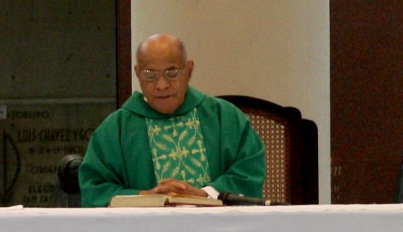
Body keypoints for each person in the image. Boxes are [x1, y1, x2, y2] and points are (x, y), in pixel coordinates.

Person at [79, 34, 266, 207]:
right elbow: (95, 187)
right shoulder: (116, 129)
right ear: (137, 73)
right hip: (143, 230)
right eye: (150, 74)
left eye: (172, 73)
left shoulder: (224, 118)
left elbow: (249, 170)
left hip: (217, 229)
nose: (162, 85)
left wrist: (205, 194)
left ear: (189, 71)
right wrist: (144, 197)